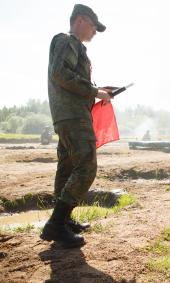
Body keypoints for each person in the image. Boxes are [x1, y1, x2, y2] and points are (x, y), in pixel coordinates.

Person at [41, 4, 113, 248]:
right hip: (73, 116)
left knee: (68, 167)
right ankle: (56, 224)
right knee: (86, 165)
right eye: (94, 26)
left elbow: (68, 77)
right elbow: (61, 74)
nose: (95, 32)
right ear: (81, 20)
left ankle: (64, 221)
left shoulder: (72, 45)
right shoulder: (67, 41)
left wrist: (98, 91)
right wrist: (95, 91)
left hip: (67, 115)